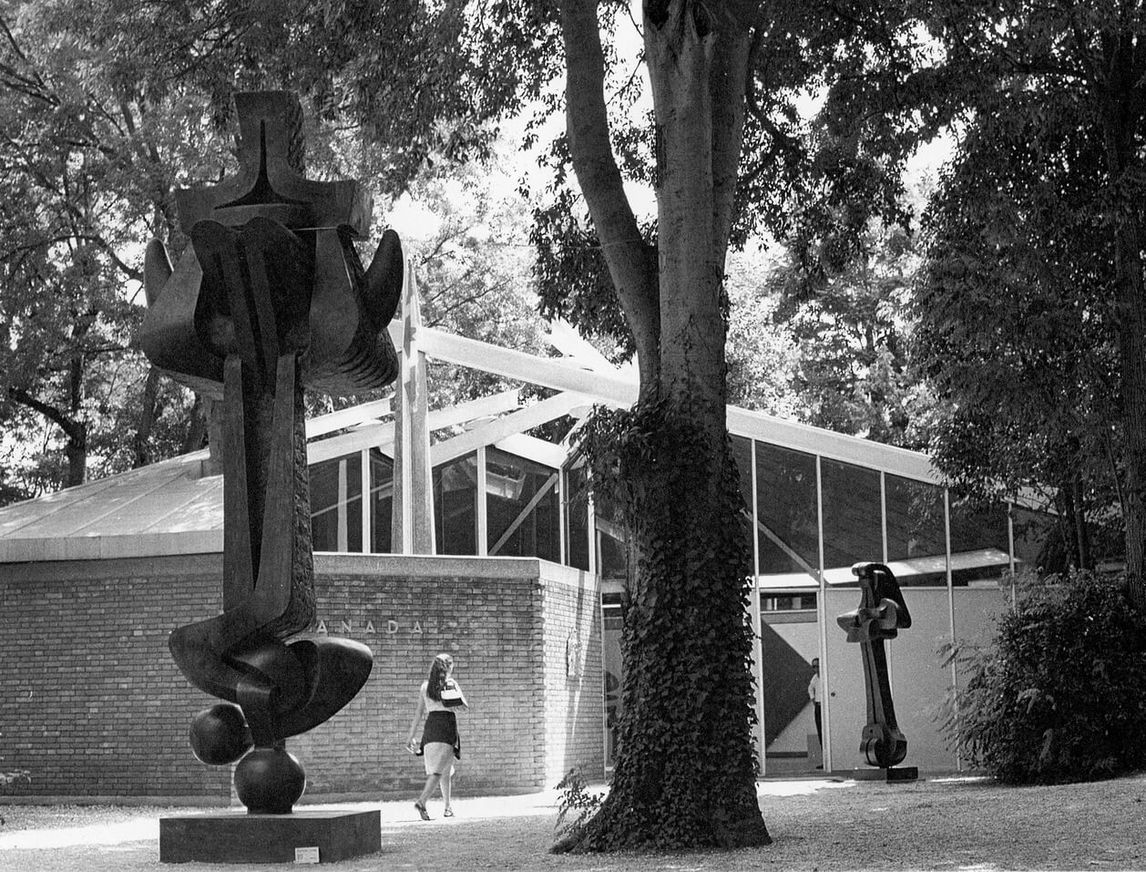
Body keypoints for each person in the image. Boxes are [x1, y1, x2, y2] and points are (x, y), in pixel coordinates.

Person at [405, 653, 468, 820]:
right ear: (448, 667)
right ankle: (422, 801)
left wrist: (410, 736)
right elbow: (463, 706)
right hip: (446, 726)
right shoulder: (450, 684)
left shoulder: (425, 687)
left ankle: (448, 807)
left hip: (431, 726)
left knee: (443, 769)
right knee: (439, 770)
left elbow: (418, 713)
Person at [808, 657, 823, 769]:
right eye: (814, 666)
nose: (816, 668)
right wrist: (813, 700)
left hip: (824, 706)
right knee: (820, 733)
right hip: (818, 706)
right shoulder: (814, 678)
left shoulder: (824, 676)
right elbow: (810, 689)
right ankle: (824, 759)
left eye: (818, 666)